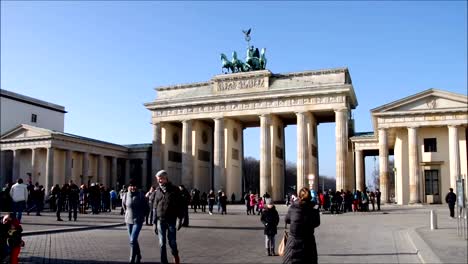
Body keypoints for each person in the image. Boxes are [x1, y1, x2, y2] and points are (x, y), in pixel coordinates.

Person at [153, 170, 184, 264]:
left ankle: (175, 255)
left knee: (172, 242)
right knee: (162, 243)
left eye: (161, 179)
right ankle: (164, 262)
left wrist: (180, 219)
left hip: (171, 220)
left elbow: (180, 205)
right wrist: (154, 222)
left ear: (166, 178)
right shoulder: (157, 190)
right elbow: (155, 206)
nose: (159, 181)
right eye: (158, 179)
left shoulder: (175, 190)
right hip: (160, 220)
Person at [283, 187, 320, 264]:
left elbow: (286, 220)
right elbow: (317, 223)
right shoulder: (314, 209)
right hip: (309, 243)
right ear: (310, 197)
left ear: (299, 196)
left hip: (293, 244)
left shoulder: (293, 207)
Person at [122, 180, 148, 264]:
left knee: (132, 240)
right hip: (128, 220)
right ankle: (139, 255)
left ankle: (132, 258)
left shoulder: (141, 195)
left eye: (134, 186)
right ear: (128, 187)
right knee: (133, 240)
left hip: (138, 220)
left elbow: (147, 207)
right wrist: (127, 214)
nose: (133, 187)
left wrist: (142, 216)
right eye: (131, 186)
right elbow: (124, 206)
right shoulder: (125, 195)